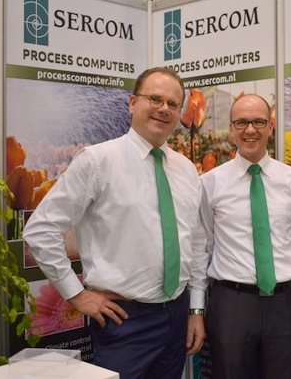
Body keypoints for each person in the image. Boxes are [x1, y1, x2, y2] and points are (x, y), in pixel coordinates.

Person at [22, 67, 206, 379]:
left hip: (177, 315)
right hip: (124, 321)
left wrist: (195, 309)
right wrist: (76, 294)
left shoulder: (186, 169)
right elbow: (40, 229)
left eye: (173, 104)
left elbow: (196, 242)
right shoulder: (97, 161)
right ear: (133, 103)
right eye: (155, 99)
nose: (164, 109)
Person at [196, 93, 291, 379]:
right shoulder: (209, 183)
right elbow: (204, 246)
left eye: (259, 122)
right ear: (231, 128)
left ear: (270, 127)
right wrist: (196, 308)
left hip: (285, 304)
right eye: (242, 122)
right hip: (232, 306)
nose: (250, 130)